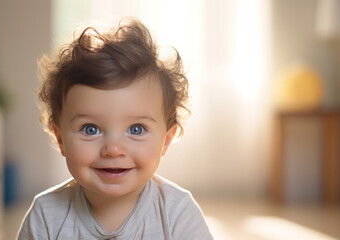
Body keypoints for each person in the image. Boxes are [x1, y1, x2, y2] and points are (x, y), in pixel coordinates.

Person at [17, 18, 213, 240]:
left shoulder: (178, 213)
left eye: (136, 129)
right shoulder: (46, 215)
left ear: (166, 141)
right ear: (61, 139)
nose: (113, 149)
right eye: (90, 129)